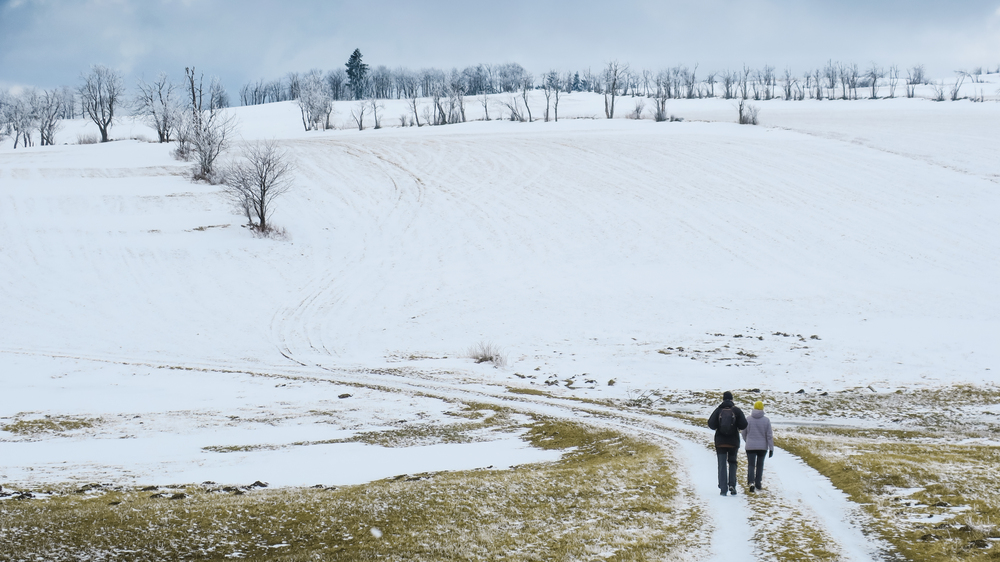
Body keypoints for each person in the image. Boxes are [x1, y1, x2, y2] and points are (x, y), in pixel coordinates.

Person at [707, 390, 748, 496]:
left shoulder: (718, 410)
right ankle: (732, 485)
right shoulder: (737, 411)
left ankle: (723, 488)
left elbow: (711, 424)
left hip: (720, 442)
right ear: (732, 399)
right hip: (733, 442)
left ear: (723, 399)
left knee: (722, 464)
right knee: (732, 463)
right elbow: (744, 425)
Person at [741, 400, 774, 492]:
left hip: (750, 445)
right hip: (762, 447)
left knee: (751, 465)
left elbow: (743, 432)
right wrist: (771, 448)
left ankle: (751, 482)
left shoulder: (748, 419)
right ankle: (758, 483)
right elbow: (769, 435)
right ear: (762, 408)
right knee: (760, 464)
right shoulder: (766, 420)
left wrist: (747, 440)